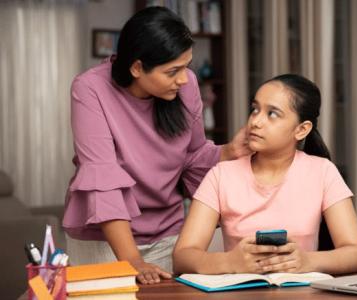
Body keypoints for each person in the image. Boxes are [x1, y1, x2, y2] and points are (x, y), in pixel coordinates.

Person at [62, 6, 251, 285]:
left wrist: (228, 152)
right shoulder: (90, 89)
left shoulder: (186, 86)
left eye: (187, 66)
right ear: (137, 67)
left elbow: (193, 156)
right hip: (105, 241)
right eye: (173, 71)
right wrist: (133, 260)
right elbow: (102, 177)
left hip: (169, 236)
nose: (184, 78)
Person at [173, 74, 357, 275]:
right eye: (255, 109)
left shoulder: (323, 172)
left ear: (301, 130)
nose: (256, 121)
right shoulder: (221, 175)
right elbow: (182, 257)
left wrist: (307, 261)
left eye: (272, 114)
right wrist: (230, 262)